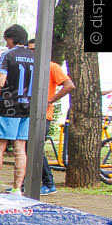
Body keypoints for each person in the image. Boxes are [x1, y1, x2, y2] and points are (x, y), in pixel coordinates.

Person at [0, 25, 34, 194]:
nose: (6, 45)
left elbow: (0, 81)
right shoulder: (34, 56)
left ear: (12, 39)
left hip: (9, 106)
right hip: (27, 107)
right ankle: (16, 189)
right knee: (20, 148)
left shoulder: (8, 55)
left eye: (7, 41)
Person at [27, 39, 76, 195]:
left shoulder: (52, 67)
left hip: (43, 115)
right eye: (29, 49)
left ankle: (49, 183)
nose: (32, 52)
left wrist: (50, 100)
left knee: (36, 148)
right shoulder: (30, 67)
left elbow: (69, 85)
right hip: (27, 112)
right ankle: (25, 183)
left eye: (34, 49)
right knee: (26, 149)